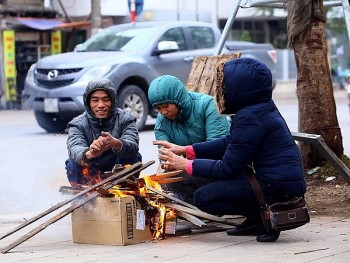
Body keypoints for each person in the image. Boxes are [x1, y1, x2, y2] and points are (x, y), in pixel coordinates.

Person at [154, 58, 306, 242]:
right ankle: (256, 218)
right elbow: (229, 141)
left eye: (225, 85)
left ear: (239, 87)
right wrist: (186, 149)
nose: (222, 90)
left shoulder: (250, 116)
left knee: (204, 198)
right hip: (277, 182)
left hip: (278, 187)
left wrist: (185, 164)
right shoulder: (257, 109)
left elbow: (227, 168)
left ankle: (264, 216)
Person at [148, 75, 230, 204]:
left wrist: (185, 160)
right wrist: (168, 164)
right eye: (158, 108)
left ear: (177, 98)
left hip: (219, 168)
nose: (163, 112)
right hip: (190, 171)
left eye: (166, 106)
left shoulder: (207, 105)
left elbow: (217, 148)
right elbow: (167, 159)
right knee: (168, 180)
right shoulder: (161, 122)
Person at [65, 79, 142, 187]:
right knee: (73, 163)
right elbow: (74, 148)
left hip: (118, 170)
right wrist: (89, 153)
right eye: (95, 100)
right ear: (88, 103)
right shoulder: (77, 124)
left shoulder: (126, 119)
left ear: (113, 101)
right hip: (92, 169)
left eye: (106, 100)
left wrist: (116, 143)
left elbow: (132, 145)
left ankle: (125, 191)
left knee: (134, 157)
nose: (101, 105)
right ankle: (83, 198)